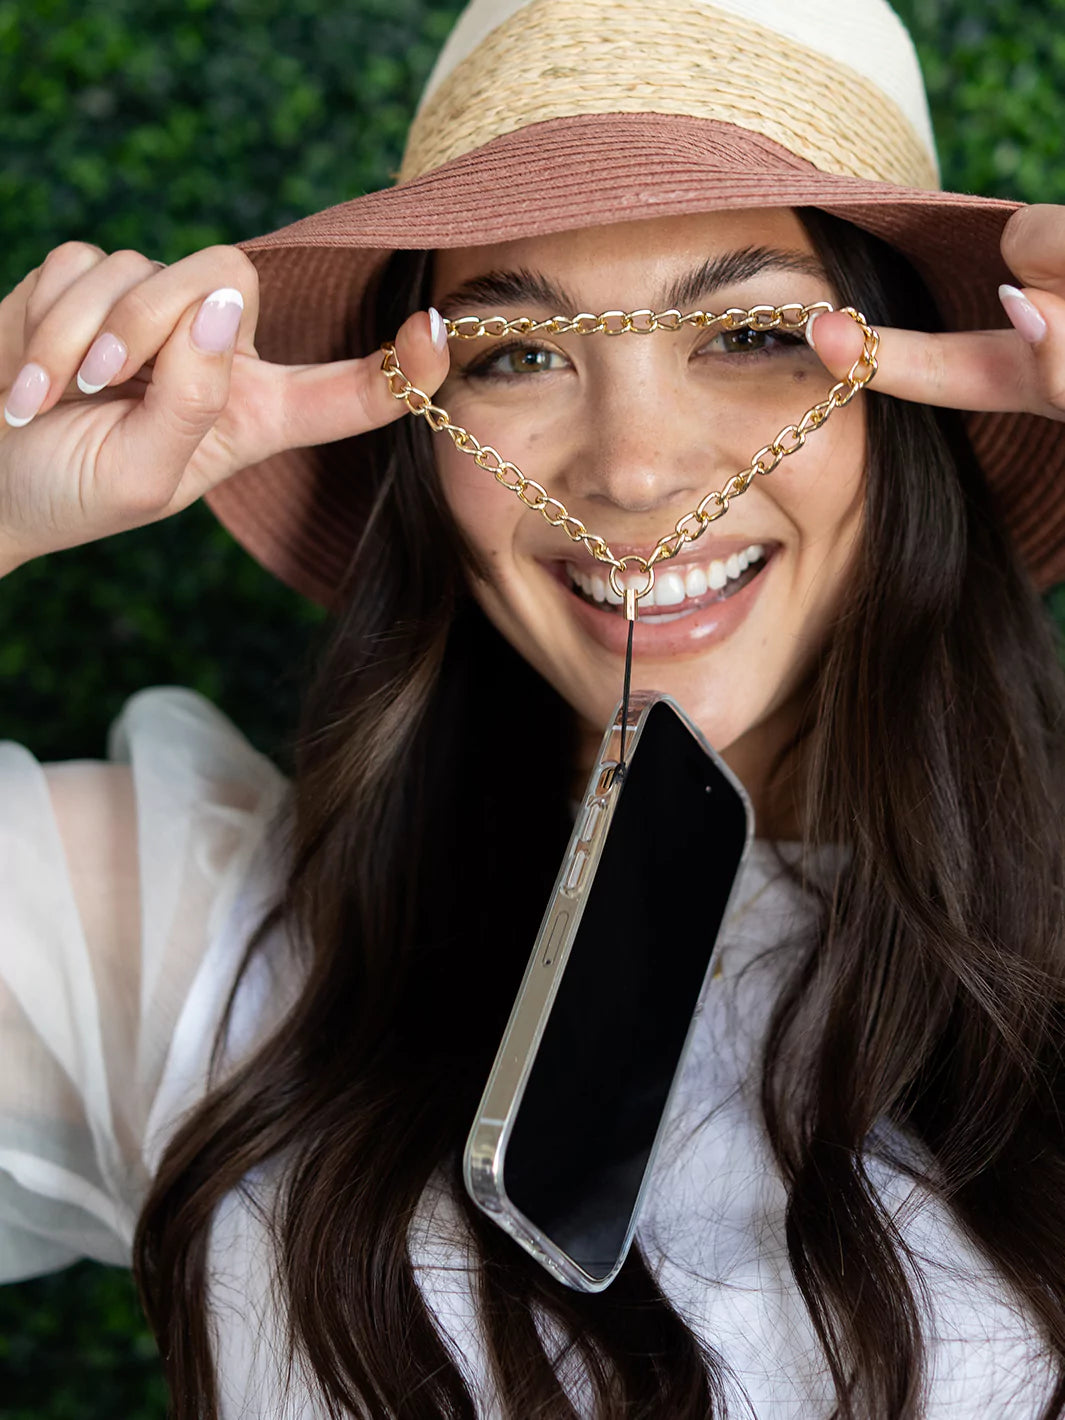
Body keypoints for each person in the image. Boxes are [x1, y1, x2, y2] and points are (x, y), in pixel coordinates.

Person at [2, 0, 1065, 1414]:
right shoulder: (179, 942)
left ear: (906, 389)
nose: (631, 471)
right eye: (513, 354)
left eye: (748, 334)